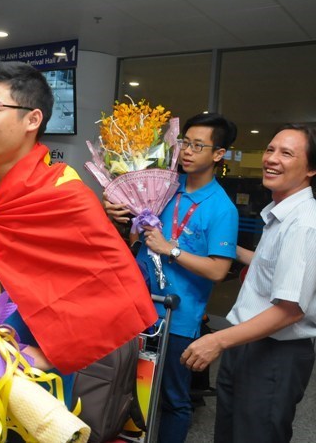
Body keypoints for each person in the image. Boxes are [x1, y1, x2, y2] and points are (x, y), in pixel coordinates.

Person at [0, 61, 157, 406]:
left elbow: (111, 288)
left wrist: (47, 357)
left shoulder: (63, 194)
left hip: (29, 375)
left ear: (32, 119)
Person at [105, 112, 239, 443]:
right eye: (183, 143)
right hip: (136, 305)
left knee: (172, 399)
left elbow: (219, 270)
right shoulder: (163, 185)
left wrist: (171, 250)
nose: (188, 151)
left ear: (218, 154)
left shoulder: (222, 208)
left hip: (178, 319)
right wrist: (115, 212)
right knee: (126, 385)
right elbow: (136, 233)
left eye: (198, 145)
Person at [181, 124, 316, 443]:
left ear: (311, 169)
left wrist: (217, 341)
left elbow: (289, 311)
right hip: (248, 343)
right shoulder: (280, 213)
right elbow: (270, 266)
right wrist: (218, 247)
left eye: (287, 153)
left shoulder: (303, 225)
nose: (271, 159)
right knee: (229, 433)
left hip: (274, 353)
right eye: (270, 149)